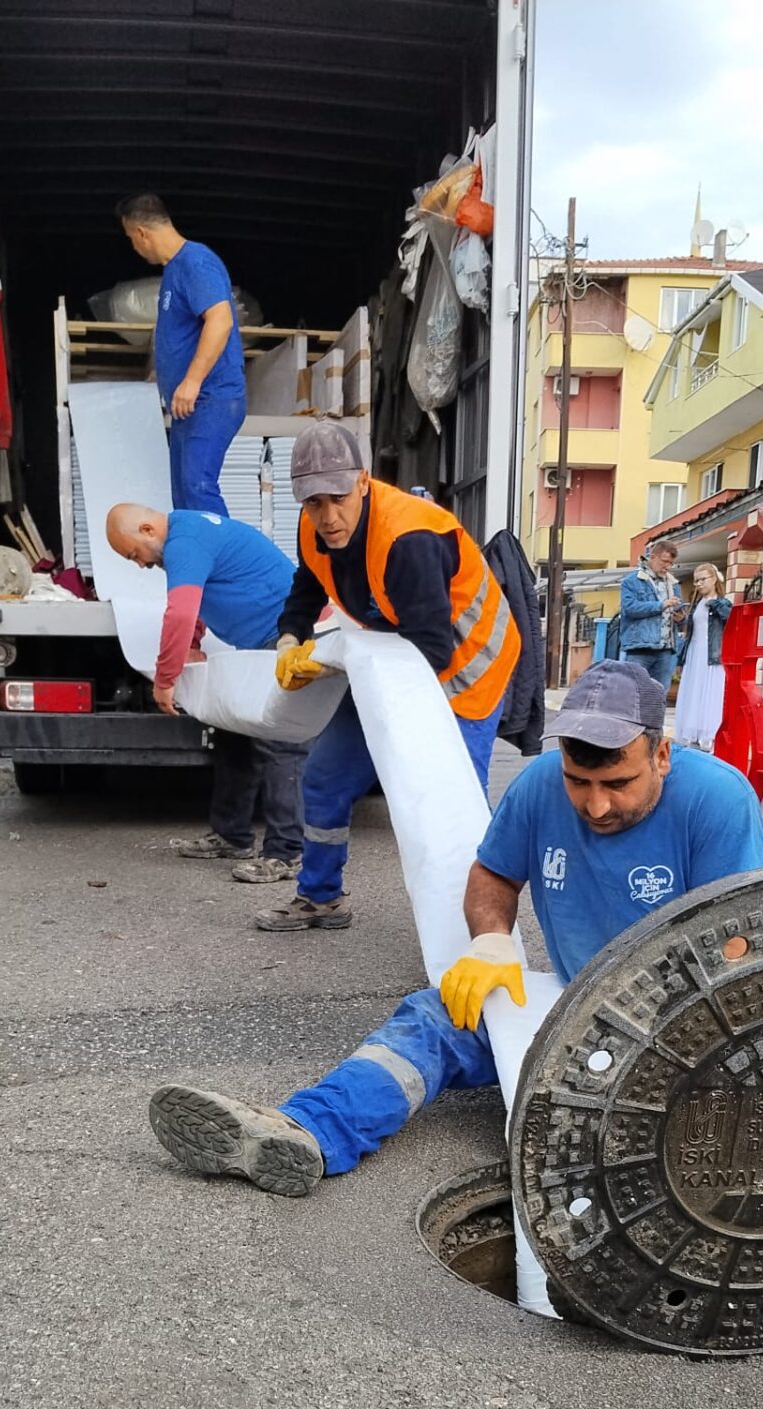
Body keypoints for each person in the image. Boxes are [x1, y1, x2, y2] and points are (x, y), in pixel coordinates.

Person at [147, 661, 763, 1195]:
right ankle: (304, 1133)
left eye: (618, 784)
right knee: (436, 1018)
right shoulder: (538, 787)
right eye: (579, 782)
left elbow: (735, 948)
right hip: (576, 998)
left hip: (681, 1019)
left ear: (662, 754)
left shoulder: (717, 800)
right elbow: (493, 874)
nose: (596, 805)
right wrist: (492, 941)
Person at [252, 422, 521, 934]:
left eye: (338, 499)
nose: (328, 517)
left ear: (363, 482)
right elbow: (306, 588)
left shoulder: (409, 537)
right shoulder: (313, 529)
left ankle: (478, 935)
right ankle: (320, 898)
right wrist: (290, 640)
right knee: (325, 776)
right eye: (314, 503)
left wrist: (330, 663)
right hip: (392, 656)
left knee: (454, 800)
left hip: (467, 663)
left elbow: (432, 649)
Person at [105, 502, 305, 882]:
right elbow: (196, 604)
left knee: (281, 744)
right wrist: (192, 643)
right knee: (234, 733)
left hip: (286, 639)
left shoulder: (184, 542)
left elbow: (180, 612)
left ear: (147, 530)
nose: (141, 565)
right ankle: (232, 836)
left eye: (134, 555)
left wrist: (165, 679)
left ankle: (287, 853)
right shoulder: (187, 536)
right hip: (264, 641)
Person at [117, 193, 246, 516]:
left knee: (197, 486)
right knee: (183, 498)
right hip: (188, 406)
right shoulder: (174, 271)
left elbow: (220, 321)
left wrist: (191, 381)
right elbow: (185, 335)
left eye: (131, 238)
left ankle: (226, 550)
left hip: (211, 397)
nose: (134, 246)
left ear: (141, 233)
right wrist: (164, 374)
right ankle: (194, 551)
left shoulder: (195, 262)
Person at [672, 562, 732, 753]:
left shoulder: (722, 603)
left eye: (702, 579)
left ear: (714, 579)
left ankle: (709, 735)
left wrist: (714, 603)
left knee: (710, 692)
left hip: (712, 654)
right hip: (694, 653)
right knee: (693, 691)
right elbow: (690, 633)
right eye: (696, 580)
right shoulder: (696, 604)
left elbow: (730, 618)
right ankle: (691, 732)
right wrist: (681, 658)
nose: (698, 584)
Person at [619, 539, 685, 693]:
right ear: (653, 557)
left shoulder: (673, 583)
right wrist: (661, 605)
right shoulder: (632, 581)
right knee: (633, 695)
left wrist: (681, 618)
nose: (668, 567)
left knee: (658, 697)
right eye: (665, 561)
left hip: (666, 650)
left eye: (671, 563)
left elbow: (679, 614)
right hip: (640, 648)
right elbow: (630, 609)